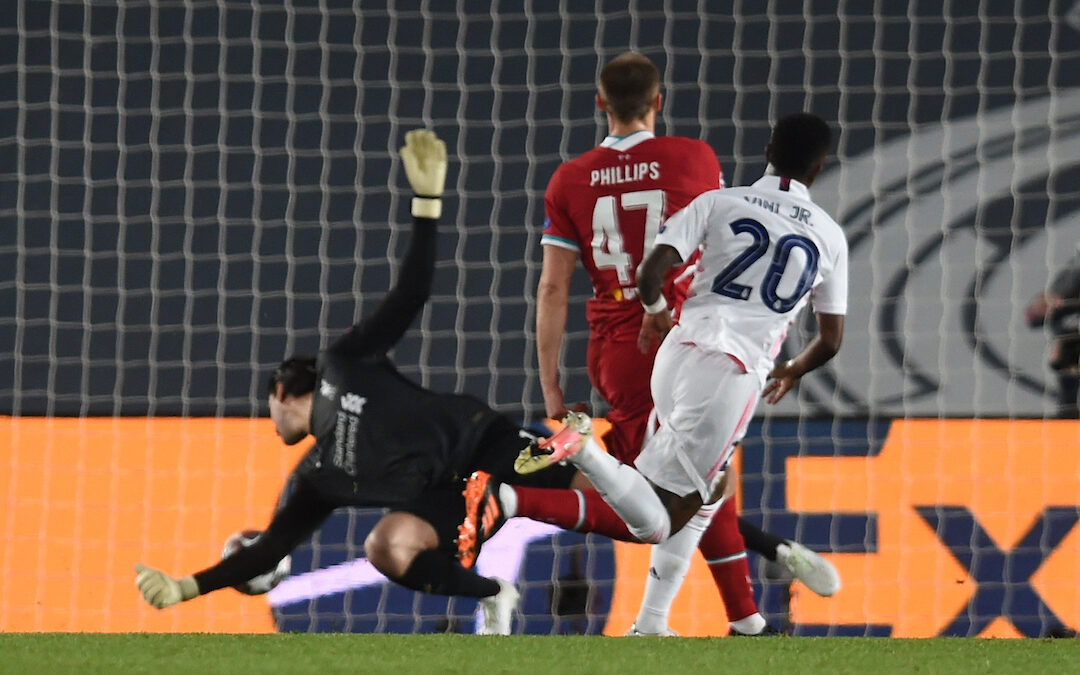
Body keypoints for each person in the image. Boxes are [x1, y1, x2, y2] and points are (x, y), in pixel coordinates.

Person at [133, 130, 584, 636]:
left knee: (621, 506)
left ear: (282, 391)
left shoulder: (342, 361)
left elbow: (410, 294)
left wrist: (427, 203)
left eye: (269, 407)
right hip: (450, 496)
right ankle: (494, 593)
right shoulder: (315, 480)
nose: (271, 420)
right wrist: (183, 588)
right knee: (386, 548)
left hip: (489, 447)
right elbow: (268, 550)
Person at [461, 111, 847, 635]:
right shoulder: (829, 234)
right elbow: (830, 340)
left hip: (672, 351)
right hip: (732, 373)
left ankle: (662, 621)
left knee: (709, 488)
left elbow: (651, 269)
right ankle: (578, 457)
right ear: (820, 166)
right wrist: (793, 370)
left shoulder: (720, 200)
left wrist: (657, 306)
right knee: (654, 520)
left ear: (766, 151)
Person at [1024, 244, 1080, 418]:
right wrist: (1046, 305)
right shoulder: (1069, 277)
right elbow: (1033, 315)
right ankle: (1067, 411)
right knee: (1067, 366)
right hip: (1068, 334)